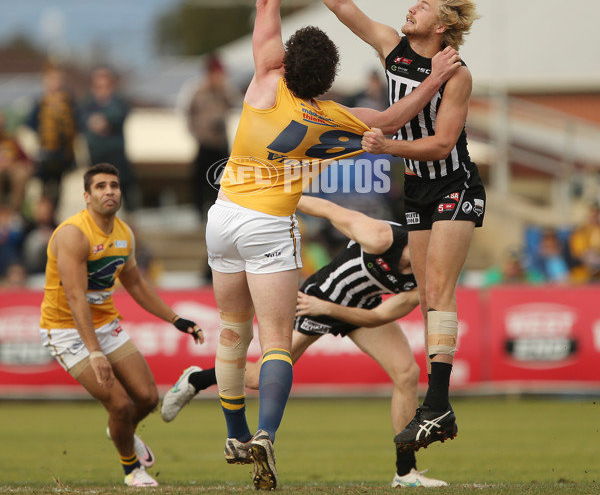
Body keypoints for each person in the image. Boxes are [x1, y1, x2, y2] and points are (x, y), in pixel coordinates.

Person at [201, 0, 461, 491]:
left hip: (223, 218)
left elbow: (267, 1)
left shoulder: (266, 80)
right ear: (328, 78)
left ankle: (234, 432)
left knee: (231, 332)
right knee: (274, 344)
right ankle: (266, 433)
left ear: (288, 60)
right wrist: (437, 81)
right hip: (269, 226)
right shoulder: (337, 118)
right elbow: (393, 120)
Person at [275, 0, 485, 452]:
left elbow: (441, 144)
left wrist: (387, 146)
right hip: (416, 189)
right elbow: (339, 2)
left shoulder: (455, 75)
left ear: (440, 26)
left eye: (423, 5)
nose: (411, 6)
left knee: (438, 289)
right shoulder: (392, 47)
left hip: (454, 184)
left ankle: (436, 406)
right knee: (425, 290)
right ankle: (436, 409)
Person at [162, 195, 447, 488]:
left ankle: (405, 472)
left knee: (406, 373)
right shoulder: (380, 237)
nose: (439, 257)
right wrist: (282, 197)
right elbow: (328, 209)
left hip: (355, 311)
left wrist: (331, 311)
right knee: (258, 378)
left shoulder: (427, 279)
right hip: (313, 300)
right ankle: (198, 378)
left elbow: (378, 316)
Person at [39, 162, 203, 487]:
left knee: (147, 399)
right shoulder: (73, 234)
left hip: (105, 325)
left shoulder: (124, 233)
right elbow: (75, 298)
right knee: (119, 403)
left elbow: (137, 285)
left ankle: (120, 429)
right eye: (100, 186)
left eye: (114, 185)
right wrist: (95, 353)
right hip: (66, 329)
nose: (109, 191)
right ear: (87, 196)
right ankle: (132, 470)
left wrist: (176, 319)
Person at [183, 53, 240, 223]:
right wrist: (196, 133)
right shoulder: (197, 91)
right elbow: (188, 113)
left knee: (222, 180)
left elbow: (237, 103)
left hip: (221, 142)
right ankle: (200, 215)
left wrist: (222, 88)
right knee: (200, 180)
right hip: (205, 142)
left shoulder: (225, 91)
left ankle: (221, 213)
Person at [78, 66, 138, 212]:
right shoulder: (87, 105)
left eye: (106, 86)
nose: (102, 90)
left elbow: (118, 115)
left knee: (124, 196)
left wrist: (103, 120)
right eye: (99, 86)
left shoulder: (119, 104)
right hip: (95, 160)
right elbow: (81, 121)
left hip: (117, 161)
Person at [24, 63, 77, 207]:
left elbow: (76, 124)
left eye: (58, 79)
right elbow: (29, 124)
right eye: (51, 79)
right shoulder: (40, 102)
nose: (55, 83)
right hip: (44, 152)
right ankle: (44, 216)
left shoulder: (69, 101)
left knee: (60, 187)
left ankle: (55, 215)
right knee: (43, 187)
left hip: (64, 153)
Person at [569, 202, 600, 283]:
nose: (595, 217)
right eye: (593, 214)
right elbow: (578, 254)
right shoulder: (579, 233)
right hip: (582, 276)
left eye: (597, 214)